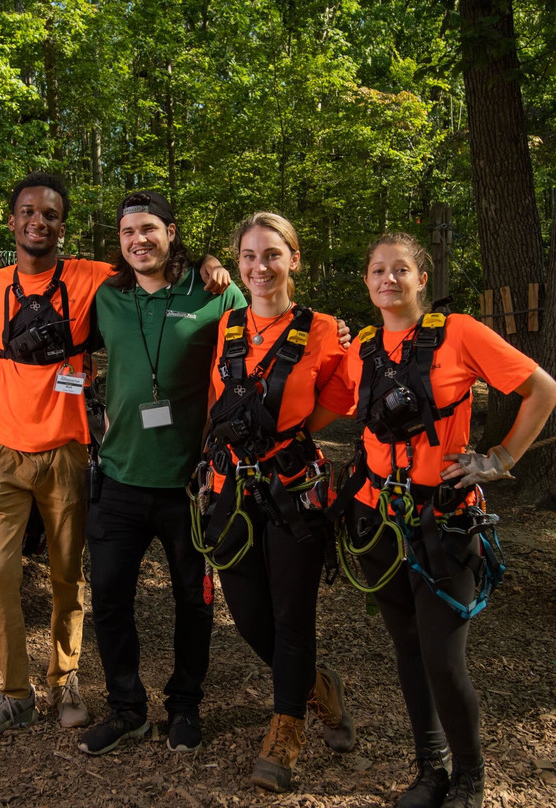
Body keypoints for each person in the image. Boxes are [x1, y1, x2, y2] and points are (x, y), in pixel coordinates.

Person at [0, 172, 229, 734]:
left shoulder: (108, 281)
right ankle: (31, 694)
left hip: (100, 459)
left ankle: (98, 689)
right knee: (10, 580)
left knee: (89, 582)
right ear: (11, 221)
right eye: (28, 213)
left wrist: (209, 260)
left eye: (51, 215)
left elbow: (173, 272)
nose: (39, 222)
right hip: (44, 460)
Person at [311, 232, 556, 808]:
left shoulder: (460, 332)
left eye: (401, 270)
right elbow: (332, 398)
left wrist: (498, 459)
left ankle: (469, 776)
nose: (388, 279)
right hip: (378, 519)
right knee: (407, 649)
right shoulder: (364, 346)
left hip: (444, 524)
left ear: (424, 279)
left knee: (443, 659)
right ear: (367, 280)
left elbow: (541, 389)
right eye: (377, 270)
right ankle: (431, 769)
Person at [76, 192, 246, 756]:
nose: (138, 241)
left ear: (171, 233)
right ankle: (127, 708)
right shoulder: (107, 296)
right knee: (109, 598)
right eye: (128, 233)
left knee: (193, 601)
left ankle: (184, 704)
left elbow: (266, 336)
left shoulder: (214, 290)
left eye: (149, 229)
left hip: (190, 483)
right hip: (120, 477)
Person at [198, 212, 355, 792]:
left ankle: (286, 728)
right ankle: (315, 684)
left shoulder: (324, 330)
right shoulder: (228, 326)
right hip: (230, 488)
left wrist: (289, 438)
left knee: (292, 615)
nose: (259, 267)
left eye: (271, 255)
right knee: (248, 617)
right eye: (248, 256)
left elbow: (339, 395)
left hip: (292, 491)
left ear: (293, 259)